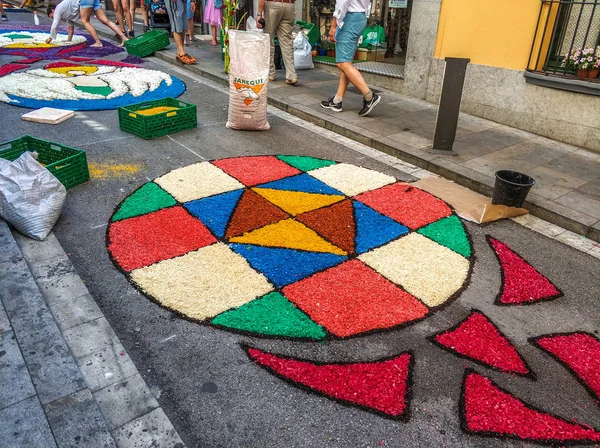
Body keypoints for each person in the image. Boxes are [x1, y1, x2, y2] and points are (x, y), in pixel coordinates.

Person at [319, 0, 380, 116]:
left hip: (350, 18)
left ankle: (369, 96)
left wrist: (333, 25)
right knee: (346, 63)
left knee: (342, 63)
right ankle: (337, 100)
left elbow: (343, 2)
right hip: (360, 16)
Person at [256, 0, 297, 84]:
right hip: (289, 6)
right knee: (287, 42)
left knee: (268, 38)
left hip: (273, 5)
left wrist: (259, 14)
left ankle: (270, 73)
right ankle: (292, 75)